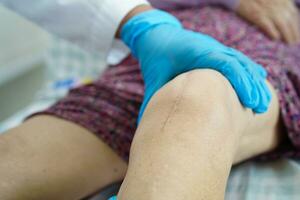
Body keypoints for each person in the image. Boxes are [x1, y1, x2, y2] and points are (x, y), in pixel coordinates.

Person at [0, 0, 299, 200]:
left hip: (284, 45)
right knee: (13, 161)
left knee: (196, 99)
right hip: (170, 36)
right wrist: (145, 25)